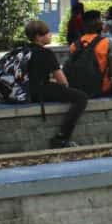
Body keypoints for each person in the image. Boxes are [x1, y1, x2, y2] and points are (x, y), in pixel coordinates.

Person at [24, 20, 89, 148]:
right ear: (38, 36)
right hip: (39, 91)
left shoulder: (25, 50)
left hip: (26, 90)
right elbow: (63, 81)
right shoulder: (46, 53)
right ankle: (61, 137)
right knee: (81, 97)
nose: (50, 35)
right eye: (47, 33)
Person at [67, 10, 112, 96]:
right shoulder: (108, 42)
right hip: (101, 89)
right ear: (99, 24)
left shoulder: (74, 45)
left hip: (78, 88)